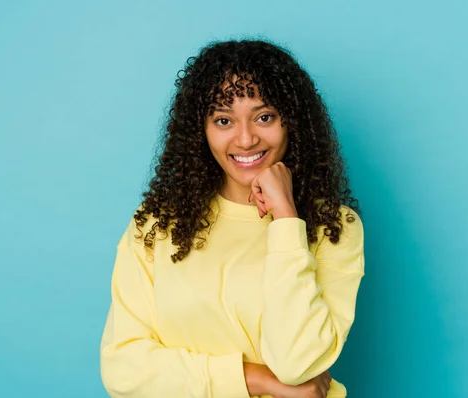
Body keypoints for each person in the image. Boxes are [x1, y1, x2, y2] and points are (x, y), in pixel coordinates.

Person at [99, 39, 365, 398]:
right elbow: (122, 369)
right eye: (224, 120)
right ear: (201, 130)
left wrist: (286, 220)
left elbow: (297, 364)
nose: (245, 139)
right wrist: (253, 379)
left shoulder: (333, 226)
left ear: (293, 122)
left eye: (264, 117)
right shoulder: (156, 224)